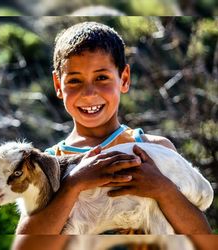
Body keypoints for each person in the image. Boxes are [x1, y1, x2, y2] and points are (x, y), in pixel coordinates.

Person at [15, 21, 211, 236]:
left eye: (101, 78)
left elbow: (202, 238)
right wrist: (73, 184)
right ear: (58, 85)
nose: (89, 93)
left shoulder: (152, 151)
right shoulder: (48, 165)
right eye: (74, 80)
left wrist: (163, 189)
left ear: (124, 79)